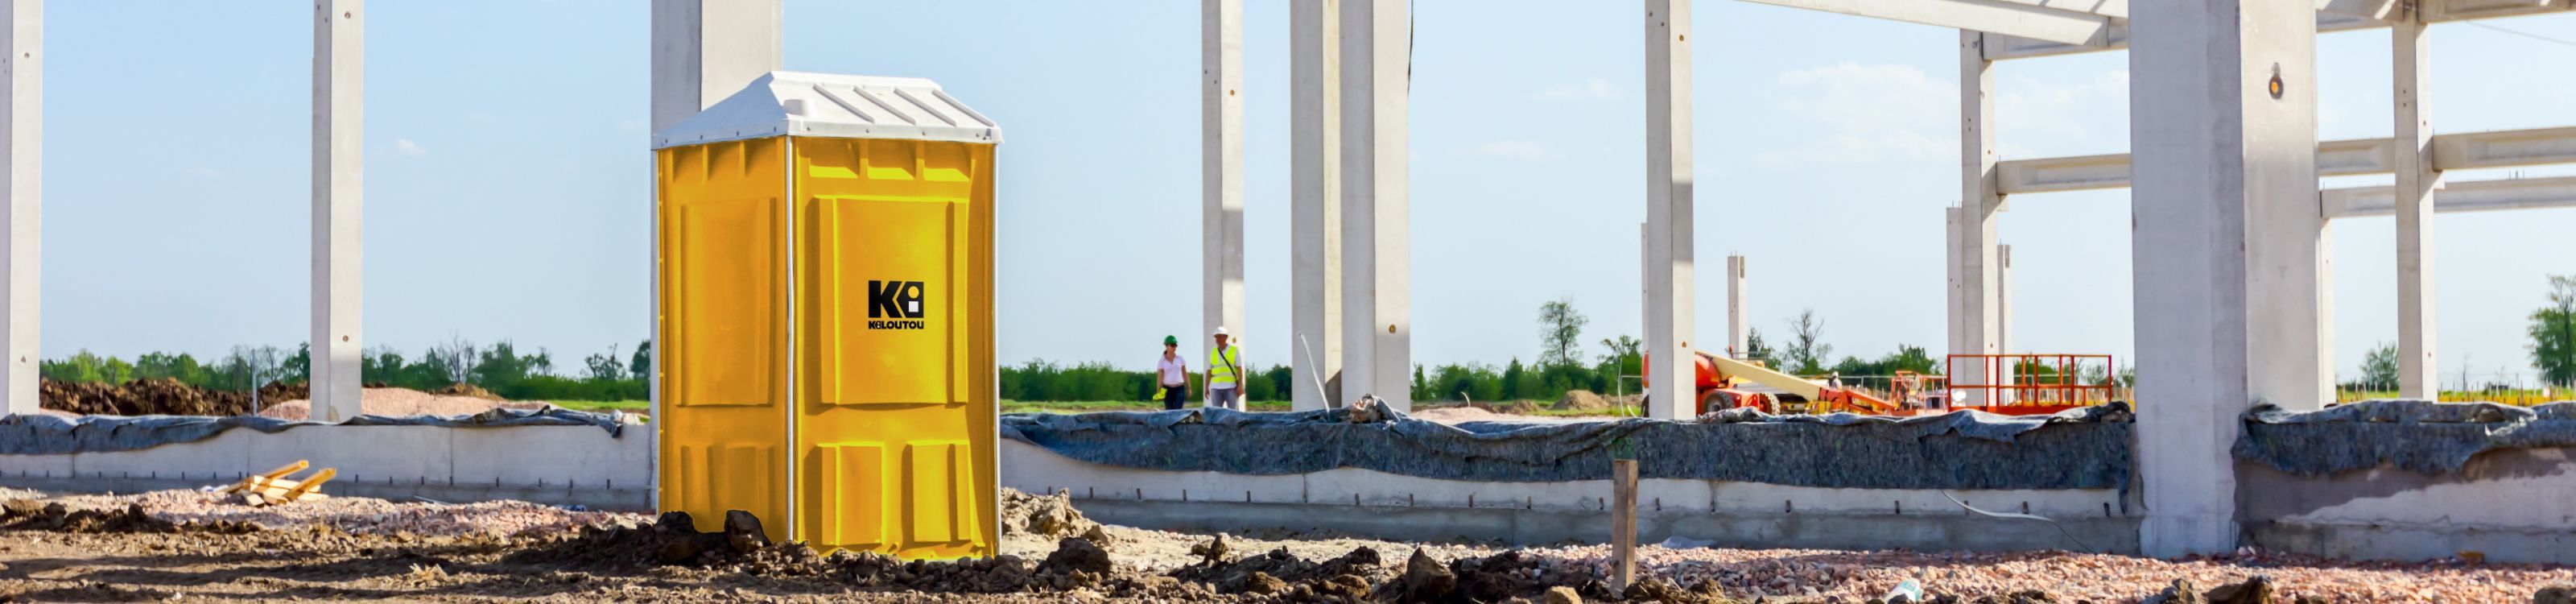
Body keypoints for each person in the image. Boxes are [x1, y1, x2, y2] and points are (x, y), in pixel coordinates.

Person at [1204, 327, 1245, 411]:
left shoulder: (1234, 350)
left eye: (1220, 336)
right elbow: (1209, 371)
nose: (1217, 339)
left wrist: (1240, 386)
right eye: (1216, 337)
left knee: (1233, 412)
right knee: (1217, 413)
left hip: (1231, 387)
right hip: (1215, 388)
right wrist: (1206, 388)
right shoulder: (1212, 351)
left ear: (1226, 337)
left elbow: (1239, 369)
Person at [1156, 335, 1190, 411]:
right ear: (1166, 346)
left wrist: (1189, 388)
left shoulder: (1180, 358)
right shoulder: (1162, 361)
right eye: (1172, 345)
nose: (1174, 347)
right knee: (1169, 411)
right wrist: (1158, 391)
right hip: (1167, 389)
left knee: (1178, 410)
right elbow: (1160, 377)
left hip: (1179, 388)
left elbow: (1185, 373)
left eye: (1175, 345)